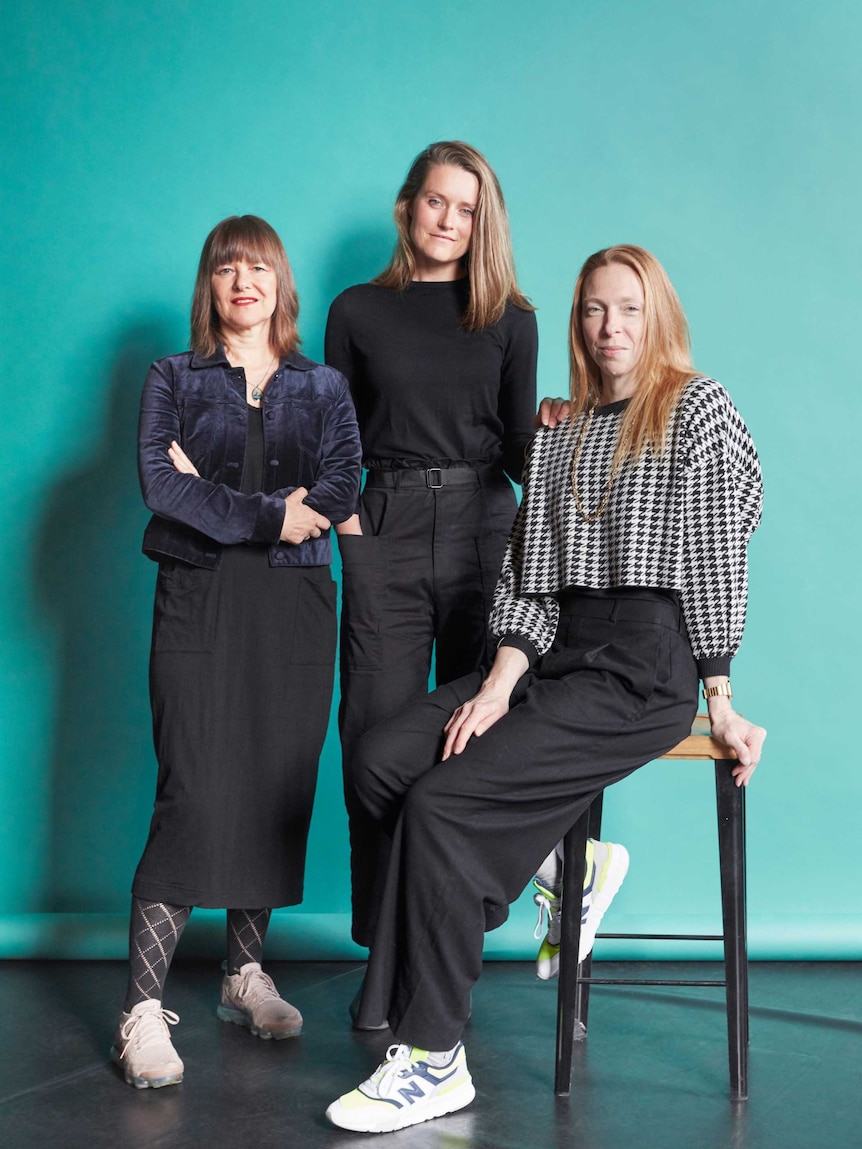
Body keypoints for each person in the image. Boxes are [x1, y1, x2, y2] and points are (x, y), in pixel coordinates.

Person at [325, 244, 766, 1133]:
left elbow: (722, 546)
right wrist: (495, 683)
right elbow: (528, 574)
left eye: (630, 309)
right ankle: (565, 865)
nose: (612, 327)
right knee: (383, 758)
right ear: (578, 322)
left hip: (643, 667)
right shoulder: (559, 433)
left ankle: (436, 1056)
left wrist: (718, 691)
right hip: (552, 653)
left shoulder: (696, 408)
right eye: (596, 310)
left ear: (659, 316)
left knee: (446, 807)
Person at [324, 142, 621, 1010]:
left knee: (479, 726)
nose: (450, 222)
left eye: (467, 208)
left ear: (482, 220)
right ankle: (384, 963)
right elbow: (338, 437)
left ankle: (447, 940)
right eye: (436, 204)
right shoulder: (356, 311)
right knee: (373, 740)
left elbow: (524, 451)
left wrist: (566, 427)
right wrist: (351, 526)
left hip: (487, 528)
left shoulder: (510, 317)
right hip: (385, 525)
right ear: (406, 207)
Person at [111, 215, 361, 1089]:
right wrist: (266, 512)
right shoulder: (170, 377)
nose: (243, 281)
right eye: (226, 268)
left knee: (272, 776)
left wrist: (216, 492)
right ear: (209, 285)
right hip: (199, 595)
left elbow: (343, 480)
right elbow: (158, 482)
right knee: (195, 780)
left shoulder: (323, 384)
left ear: (281, 284)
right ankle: (142, 1010)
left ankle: (241, 974)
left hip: (294, 601)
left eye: (258, 267)